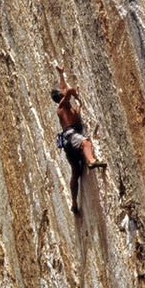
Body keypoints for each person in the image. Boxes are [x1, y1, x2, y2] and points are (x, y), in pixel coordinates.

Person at [51, 65, 106, 214]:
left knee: (76, 172)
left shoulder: (64, 106)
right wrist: (75, 95)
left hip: (67, 140)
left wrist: (61, 74)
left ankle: (74, 203)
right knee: (85, 143)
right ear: (61, 97)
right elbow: (68, 90)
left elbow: (64, 88)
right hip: (72, 135)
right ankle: (92, 161)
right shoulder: (62, 106)